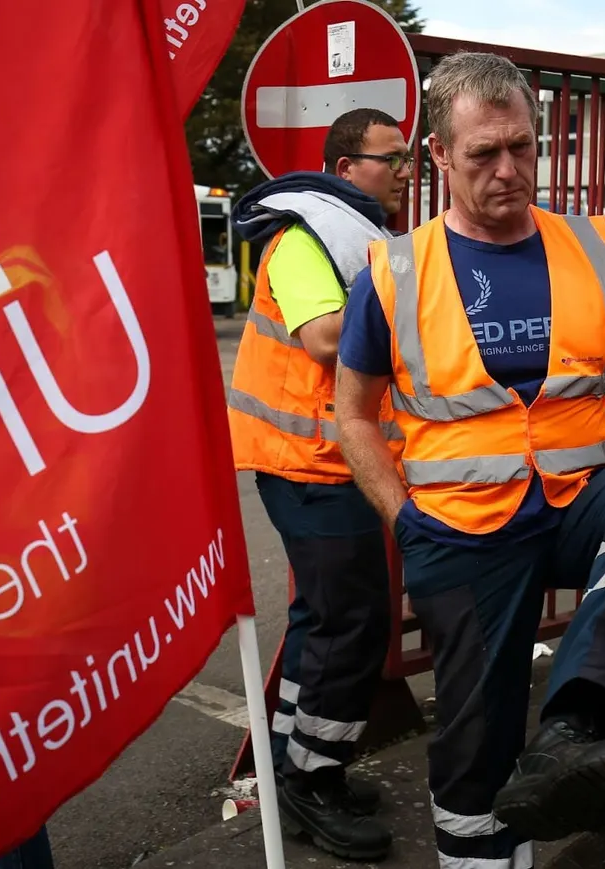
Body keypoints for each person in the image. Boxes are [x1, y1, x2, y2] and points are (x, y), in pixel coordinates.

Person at [333, 51, 605, 869]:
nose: (508, 169)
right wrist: (405, 518)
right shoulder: (395, 272)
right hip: (461, 531)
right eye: (483, 153)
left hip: (578, 501)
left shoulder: (592, 246)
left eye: (522, 147)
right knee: (476, 736)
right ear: (438, 156)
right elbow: (353, 417)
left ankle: (573, 728)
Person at [225, 107, 412, 861]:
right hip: (308, 466)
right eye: (388, 156)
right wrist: (414, 309)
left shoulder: (348, 232)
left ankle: (293, 764)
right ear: (344, 170)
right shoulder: (306, 236)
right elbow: (324, 336)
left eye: (406, 155)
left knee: (322, 620)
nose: (404, 167)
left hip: (328, 464)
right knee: (353, 623)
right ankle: (313, 780)